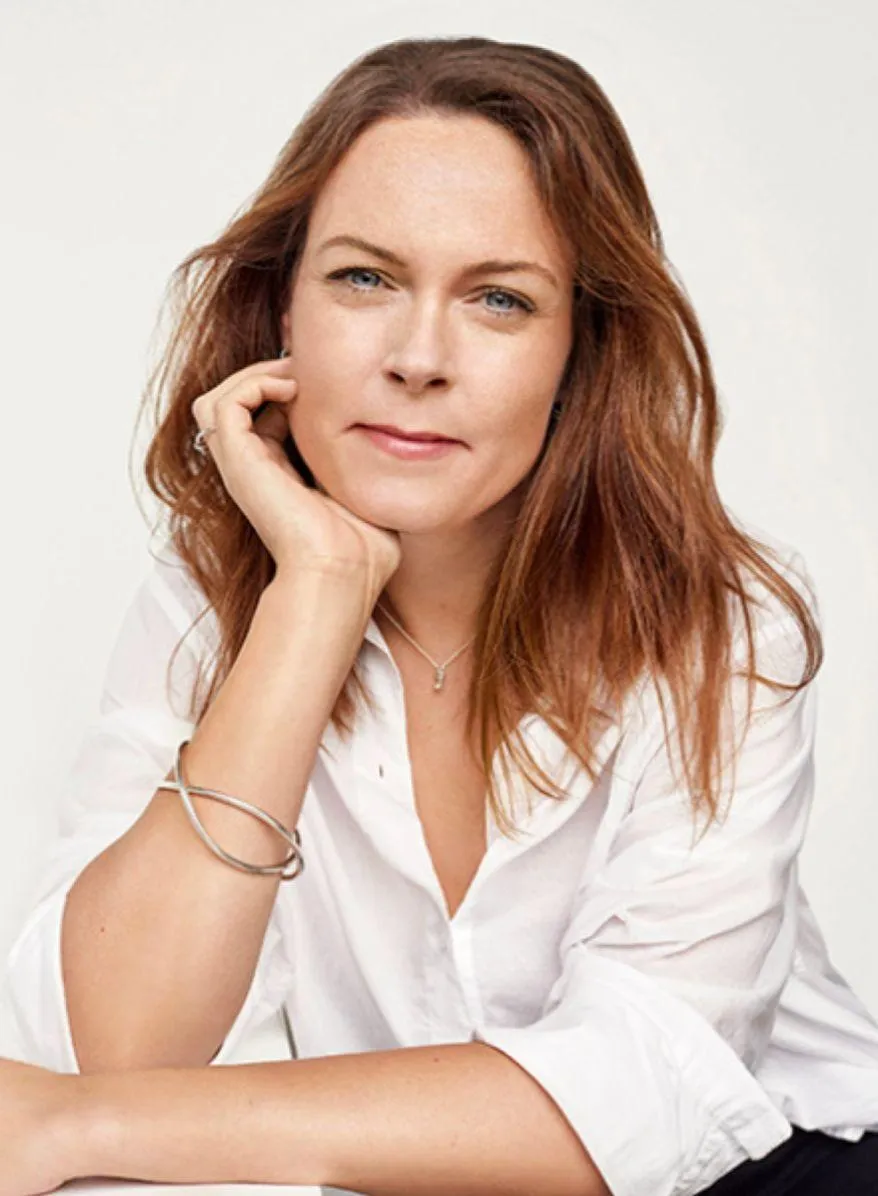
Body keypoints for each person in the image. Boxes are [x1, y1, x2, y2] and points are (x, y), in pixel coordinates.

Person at [2, 32, 877, 1196]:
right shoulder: (204, 608)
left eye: (499, 300)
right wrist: (316, 592)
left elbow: (650, 1090)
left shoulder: (718, 621)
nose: (418, 357)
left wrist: (88, 1126)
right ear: (282, 310)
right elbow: (113, 1046)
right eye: (363, 279)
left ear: (578, 355)